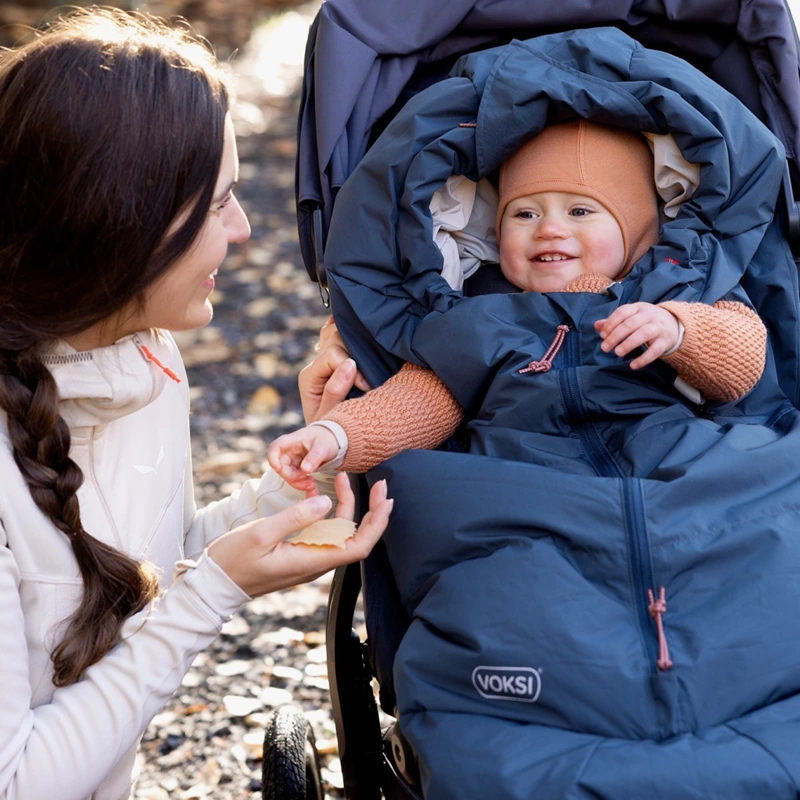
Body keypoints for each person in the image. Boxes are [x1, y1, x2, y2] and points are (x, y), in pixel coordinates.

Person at [0, 9, 392, 800]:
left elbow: (143, 561)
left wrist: (290, 492)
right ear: (119, 221)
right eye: (219, 205)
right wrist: (213, 592)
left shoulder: (146, 358)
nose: (245, 231)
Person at [267, 120, 767, 477]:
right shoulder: (475, 318)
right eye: (523, 214)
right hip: (524, 489)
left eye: (579, 211)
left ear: (637, 230)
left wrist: (680, 331)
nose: (549, 229)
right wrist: (336, 436)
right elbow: (416, 403)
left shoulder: (679, 291)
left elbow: (744, 363)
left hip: (671, 472)